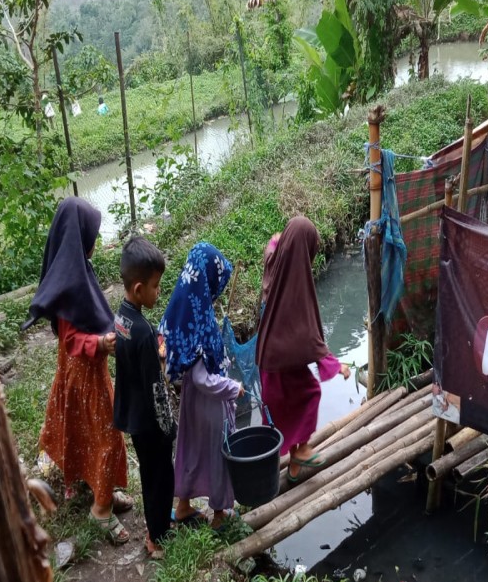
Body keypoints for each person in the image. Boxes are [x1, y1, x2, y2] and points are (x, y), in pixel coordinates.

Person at [24, 197, 130, 544]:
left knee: (87, 434)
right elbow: (71, 338)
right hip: (83, 375)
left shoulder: (77, 270)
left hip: (85, 374)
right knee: (109, 437)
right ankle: (101, 510)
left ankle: (101, 489)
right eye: (93, 233)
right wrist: (99, 344)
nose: (97, 240)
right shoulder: (70, 282)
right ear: (79, 236)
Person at [256, 216, 350, 483]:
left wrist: (278, 238)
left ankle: (296, 460)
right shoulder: (295, 285)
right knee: (309, 394)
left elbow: (272, 246)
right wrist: (333, 363)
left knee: (284, 413)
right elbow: (308, 335)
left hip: (272, 359)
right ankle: (295, 455)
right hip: (279, 363)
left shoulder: (277, 264)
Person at [160, 242, 244, 527]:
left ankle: (182, 506)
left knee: (190, 451)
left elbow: (181, 357)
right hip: (209, 403)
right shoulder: (200, 317)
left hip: (190, 403)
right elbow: (201, 376)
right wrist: (232, 387)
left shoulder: (183, 306)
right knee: (219, 454)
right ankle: (219, 515)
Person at [113, 236, 175, 558]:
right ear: (138, 289)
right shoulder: (144, 332)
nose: (158, 291)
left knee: (151, 474)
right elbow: (156, 390)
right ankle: (156, 538)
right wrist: (170, 427)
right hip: (151, 425)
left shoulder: (121, 319)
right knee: (159, 478)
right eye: (155, 285)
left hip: (133, 417)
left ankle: (159, 527)